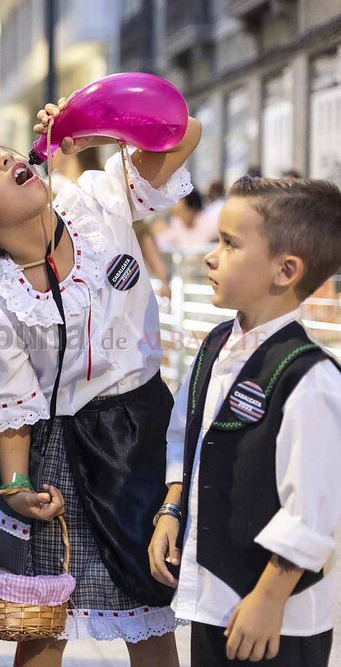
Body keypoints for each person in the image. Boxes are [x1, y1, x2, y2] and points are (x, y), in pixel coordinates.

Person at [0, 95, 202, 666]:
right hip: (58, 447)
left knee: (149, 606)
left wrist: (94, 125)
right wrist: (18, 485)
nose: (6, 162)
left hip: (140, 432)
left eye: (4, 155)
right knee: (41, 618)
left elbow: (185, 132)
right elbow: (13, 411)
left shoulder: (101, 201)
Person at [149, 177, 341, 666]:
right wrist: (172, 506)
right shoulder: (215, 344)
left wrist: (270, 598)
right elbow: (184, 436)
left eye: (230, 244)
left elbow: (314, 513)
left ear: (285, 270)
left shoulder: (311, 378)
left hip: (278, 616)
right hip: (214, 598)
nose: (212, 256)